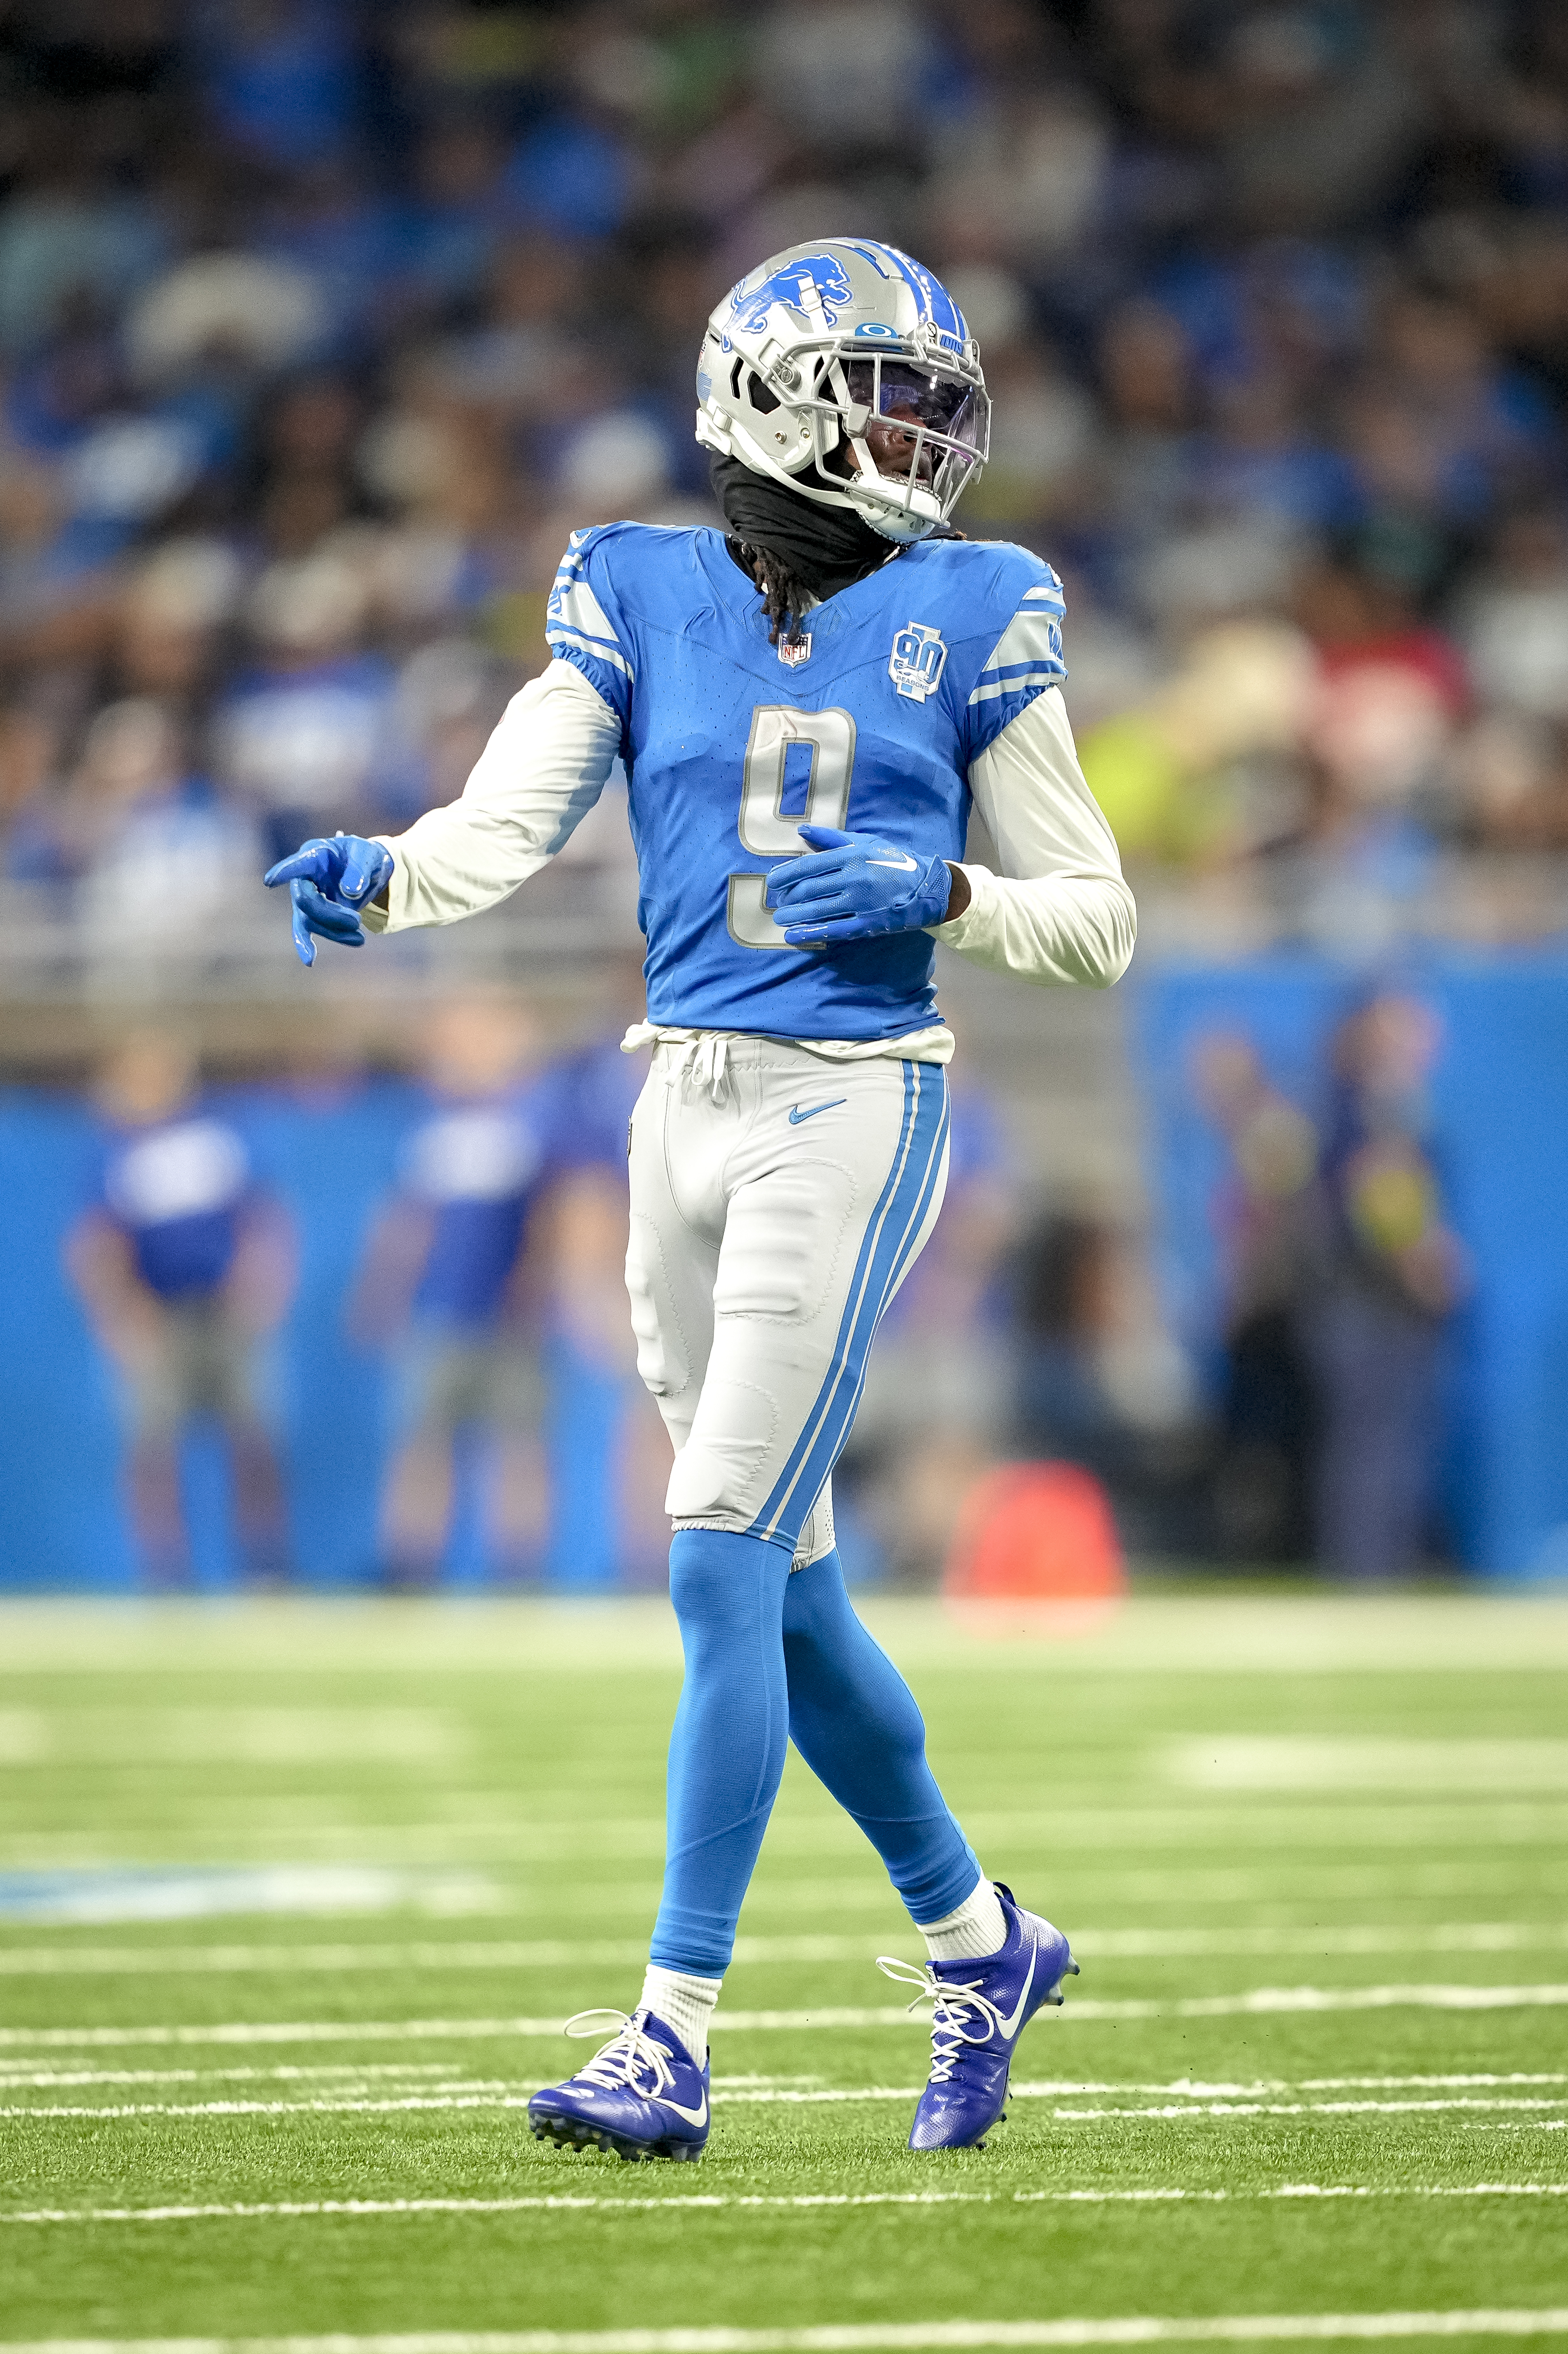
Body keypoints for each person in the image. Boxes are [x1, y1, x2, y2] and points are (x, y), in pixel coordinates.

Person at [264, 239, 1135, 2158]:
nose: (923, 431)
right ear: (768, 399)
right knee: (796, 1597)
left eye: (931, 394)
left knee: (715, 1554)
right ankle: (979, 1936)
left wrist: (946, 894)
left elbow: (1098, 917)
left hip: (855, 1101)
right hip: (677, 1101)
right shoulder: (632, 579)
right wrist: (388, 880)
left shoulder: (979, 602)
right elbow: (505, 824)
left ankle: (670, 2028)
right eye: (882, 389)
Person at [65, 1029, 294, 1586]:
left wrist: (260, 1286)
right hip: (158, 1314)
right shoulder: (115, 1152)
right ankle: (166, 1574)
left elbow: (262, 1219)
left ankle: (265, 1568)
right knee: (153, 1446)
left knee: (253, 1436)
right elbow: (96, 1244)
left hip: (224, 1310)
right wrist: (119, 1314)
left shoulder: (217, 1135)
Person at [347, 993, 559, 1588]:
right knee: (422, 1440)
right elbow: (406, 1224)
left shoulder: (533, 1118)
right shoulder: (431, 1125)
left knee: (518, 1443)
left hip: (512, 1316)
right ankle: (410, 1564)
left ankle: (519, 1568)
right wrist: (382, 1294)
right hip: (441, 1313)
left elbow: (553, 1218)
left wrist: (541, 1290)